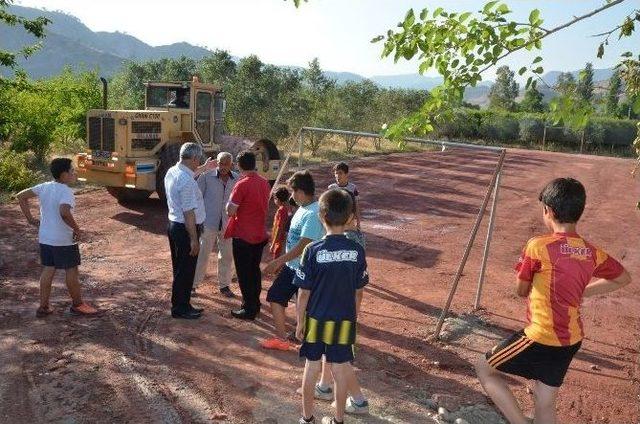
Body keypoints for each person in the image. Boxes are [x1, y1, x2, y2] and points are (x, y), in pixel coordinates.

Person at [475, 177, 631, 424]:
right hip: (572, 338)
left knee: (484, 369)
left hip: (541, 336)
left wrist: (529, 278)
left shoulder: (537, 246)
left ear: (548, 210)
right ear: (579, 212)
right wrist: (583, 292)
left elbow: (521, 290)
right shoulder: (592, 252)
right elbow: (623, 278)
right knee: (545, 401)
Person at [295, 189, 368, 424]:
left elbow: (304, 292)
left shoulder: (312, 251)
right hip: (344, 319)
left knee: (312, 366)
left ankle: (307, 418)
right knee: (339, 368)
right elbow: (359, 291)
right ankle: (338, 420)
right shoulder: (357, 252)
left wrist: (299, 321)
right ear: (349, 218)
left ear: (321, 216)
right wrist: (354, 316)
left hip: (316, 319)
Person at [16, 158, 98, 318]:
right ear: (64, 175)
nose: (74, 174)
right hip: (63, 239)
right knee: (71, 270)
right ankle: (78, 305)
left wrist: (30, 219)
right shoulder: (66, 192)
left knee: (48, 269)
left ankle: (44, 306)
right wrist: (77, 229)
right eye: (72, 171)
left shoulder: (44, 187)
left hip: (45, 237)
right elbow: (64, 212)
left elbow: (20, 196)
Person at [261, 171, 324, 351]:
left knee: (306, 307)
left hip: (305, 269)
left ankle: (309, 341)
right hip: (292, 266)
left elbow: (304, 245)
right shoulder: (303, 208)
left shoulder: (313, 213)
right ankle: (283, 339)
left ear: (301, 191)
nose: (291, 196)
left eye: (293, 191)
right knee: (275, 296)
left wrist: (278, 261)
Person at [224, 150, 271, 320]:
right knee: (254, 270)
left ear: (239, 165)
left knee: (244, 273)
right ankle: (255, 304)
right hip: (259, 233)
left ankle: (249, 307)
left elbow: (230, 211)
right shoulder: (264, 182)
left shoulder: (242, 184)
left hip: (243, 235)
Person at [165, 142, 208, 319]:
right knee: (186, 270)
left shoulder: (173, 171)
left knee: (180, 268)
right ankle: (181, 308)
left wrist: (204, 168)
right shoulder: (187, 181)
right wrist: (194, 239)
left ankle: (182, 303)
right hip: (186, 229)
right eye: (199, 161)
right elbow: (189, 213)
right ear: (195, 158)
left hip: (174, 225)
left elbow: (190, 173)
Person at [193, 151, 237, 298]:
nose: (223, 167)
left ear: (232, 164)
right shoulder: (206, 177)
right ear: (217, 163)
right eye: (220, 163)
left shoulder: (236, 179)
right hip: (208, 222)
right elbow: (196, 197)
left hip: (227, 224)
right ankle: (193, 284)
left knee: (226, 255)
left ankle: (224, 285)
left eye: (226, 164)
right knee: (202, 254)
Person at [329, 162, 364, 248]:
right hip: (336, 222)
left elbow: (356, 205)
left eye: (340, 173)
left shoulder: (353, 188)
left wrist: (358, 223)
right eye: (336, 173)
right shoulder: (331, 188)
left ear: (347, 174)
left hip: (349, 222)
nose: (337, 176)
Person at [269, 186, 293, 259]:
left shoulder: (281, 211)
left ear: (278, 199)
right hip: (283, 238)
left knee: (277, 258)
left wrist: (273, 244)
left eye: (275, 198)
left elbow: (279, 228)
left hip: (279, 240)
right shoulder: (288, 208)